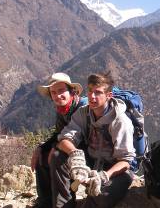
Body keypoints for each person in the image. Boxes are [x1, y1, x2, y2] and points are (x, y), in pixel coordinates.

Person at [51, 72, 136, 208]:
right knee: (58, 156)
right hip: (93, 163)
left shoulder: (120, 121)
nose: (92, 96)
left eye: (98, 92)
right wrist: (75, 154)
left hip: (115, 171)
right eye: (90, 91)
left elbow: (125, 161)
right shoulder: (84, 113)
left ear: (109, 95)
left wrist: (104, 176)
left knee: (100, 195)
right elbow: (64, 138)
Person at [31, 73, 87, 208]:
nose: (57, 96)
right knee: (42, 156)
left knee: (57, 156)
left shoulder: (84, 108)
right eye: (53, 92)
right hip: (70, 146)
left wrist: (56, 147)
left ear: (71, 91)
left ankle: (64, 204)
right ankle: (46, 202)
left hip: (85, 152)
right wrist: (41, 147)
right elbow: (58, 133)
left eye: (61, 90)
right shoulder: (63, 110)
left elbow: (85, 138)